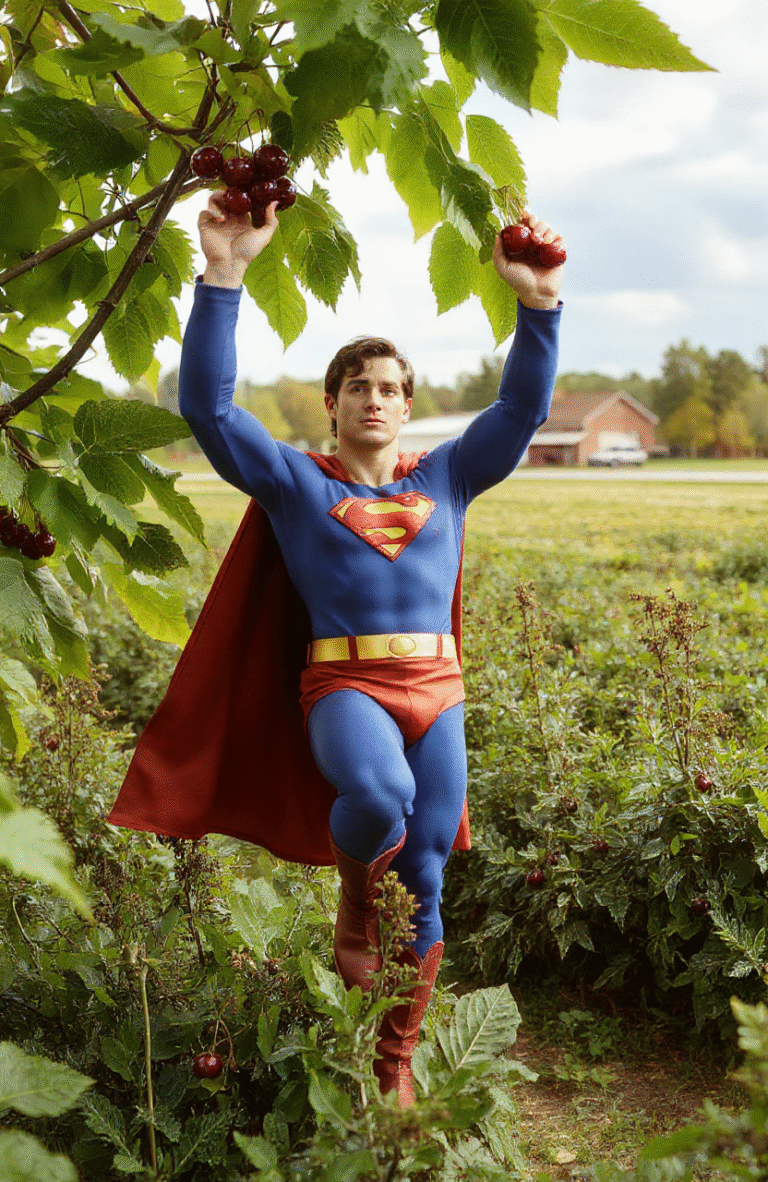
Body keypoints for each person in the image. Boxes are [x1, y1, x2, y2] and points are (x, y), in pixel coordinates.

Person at [111, 193, 563, 1107]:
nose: (378, 399)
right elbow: (207, 404)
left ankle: (394, 1065)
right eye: (359, 385)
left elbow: (520, 405)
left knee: (429, 866)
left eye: (393, 387)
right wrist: (226, 272)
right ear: (333, 402)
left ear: (407, 405)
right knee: (378, 795)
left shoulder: (450, 477)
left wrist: (540, 306)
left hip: (438, 685)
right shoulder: (293, 483)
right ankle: (357, 896)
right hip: (345, 681)